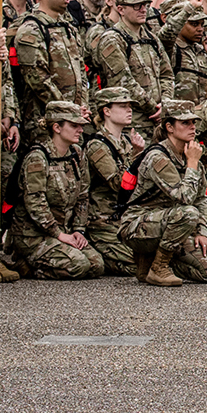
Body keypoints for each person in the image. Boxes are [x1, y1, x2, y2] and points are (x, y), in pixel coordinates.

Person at [118, 99, 207, 286]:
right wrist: (192, 165)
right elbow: (185, 198)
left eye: (194, 122)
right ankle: (159, 266)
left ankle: (149, 262)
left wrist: (202, 232)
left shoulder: (192, 156)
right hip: (138, 226)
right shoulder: (158, 157)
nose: (193, 127)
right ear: (169, 127)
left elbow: (201, 198)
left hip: (172, 225)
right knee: (188, 213)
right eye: (185, 123)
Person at [6, 101, 104, 280]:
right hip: (33, 235)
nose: (80, 130)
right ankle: (26, 265)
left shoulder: (76, 154)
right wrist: (59, 234)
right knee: (78, 265)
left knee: (97, 265)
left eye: (81, 126)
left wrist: (79, 230)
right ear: (57, 127)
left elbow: (83, 196)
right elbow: (35, 203)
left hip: (64, 231)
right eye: (74, 125)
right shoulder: (38, 157)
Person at [12, 0, 89, 145]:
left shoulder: (68, 26)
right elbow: (39, 81)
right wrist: (69, 111)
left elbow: (81, 70)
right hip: (45, 124)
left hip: (73, 121)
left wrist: (82, 106)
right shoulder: (31, 29)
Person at [82, 86, 144, 277]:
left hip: (124, 218)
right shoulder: (97, 145)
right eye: (122, 106)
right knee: (138, 265)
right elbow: (119, 184)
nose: (129, 110)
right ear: (106, 111)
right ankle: (99, 250)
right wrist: (136, 156)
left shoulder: (126, 141)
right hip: (103, 221)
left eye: (129, 106)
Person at [96, 0, 174, 132]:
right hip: (132, 124)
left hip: (158, 121)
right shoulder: (112, 39)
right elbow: (123, 81)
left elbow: (167, 74)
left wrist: (166, 103)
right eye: (136, 6)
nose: (143, 9)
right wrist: (153, 108)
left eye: (145, 5)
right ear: (121, 9)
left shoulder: (152, 38)